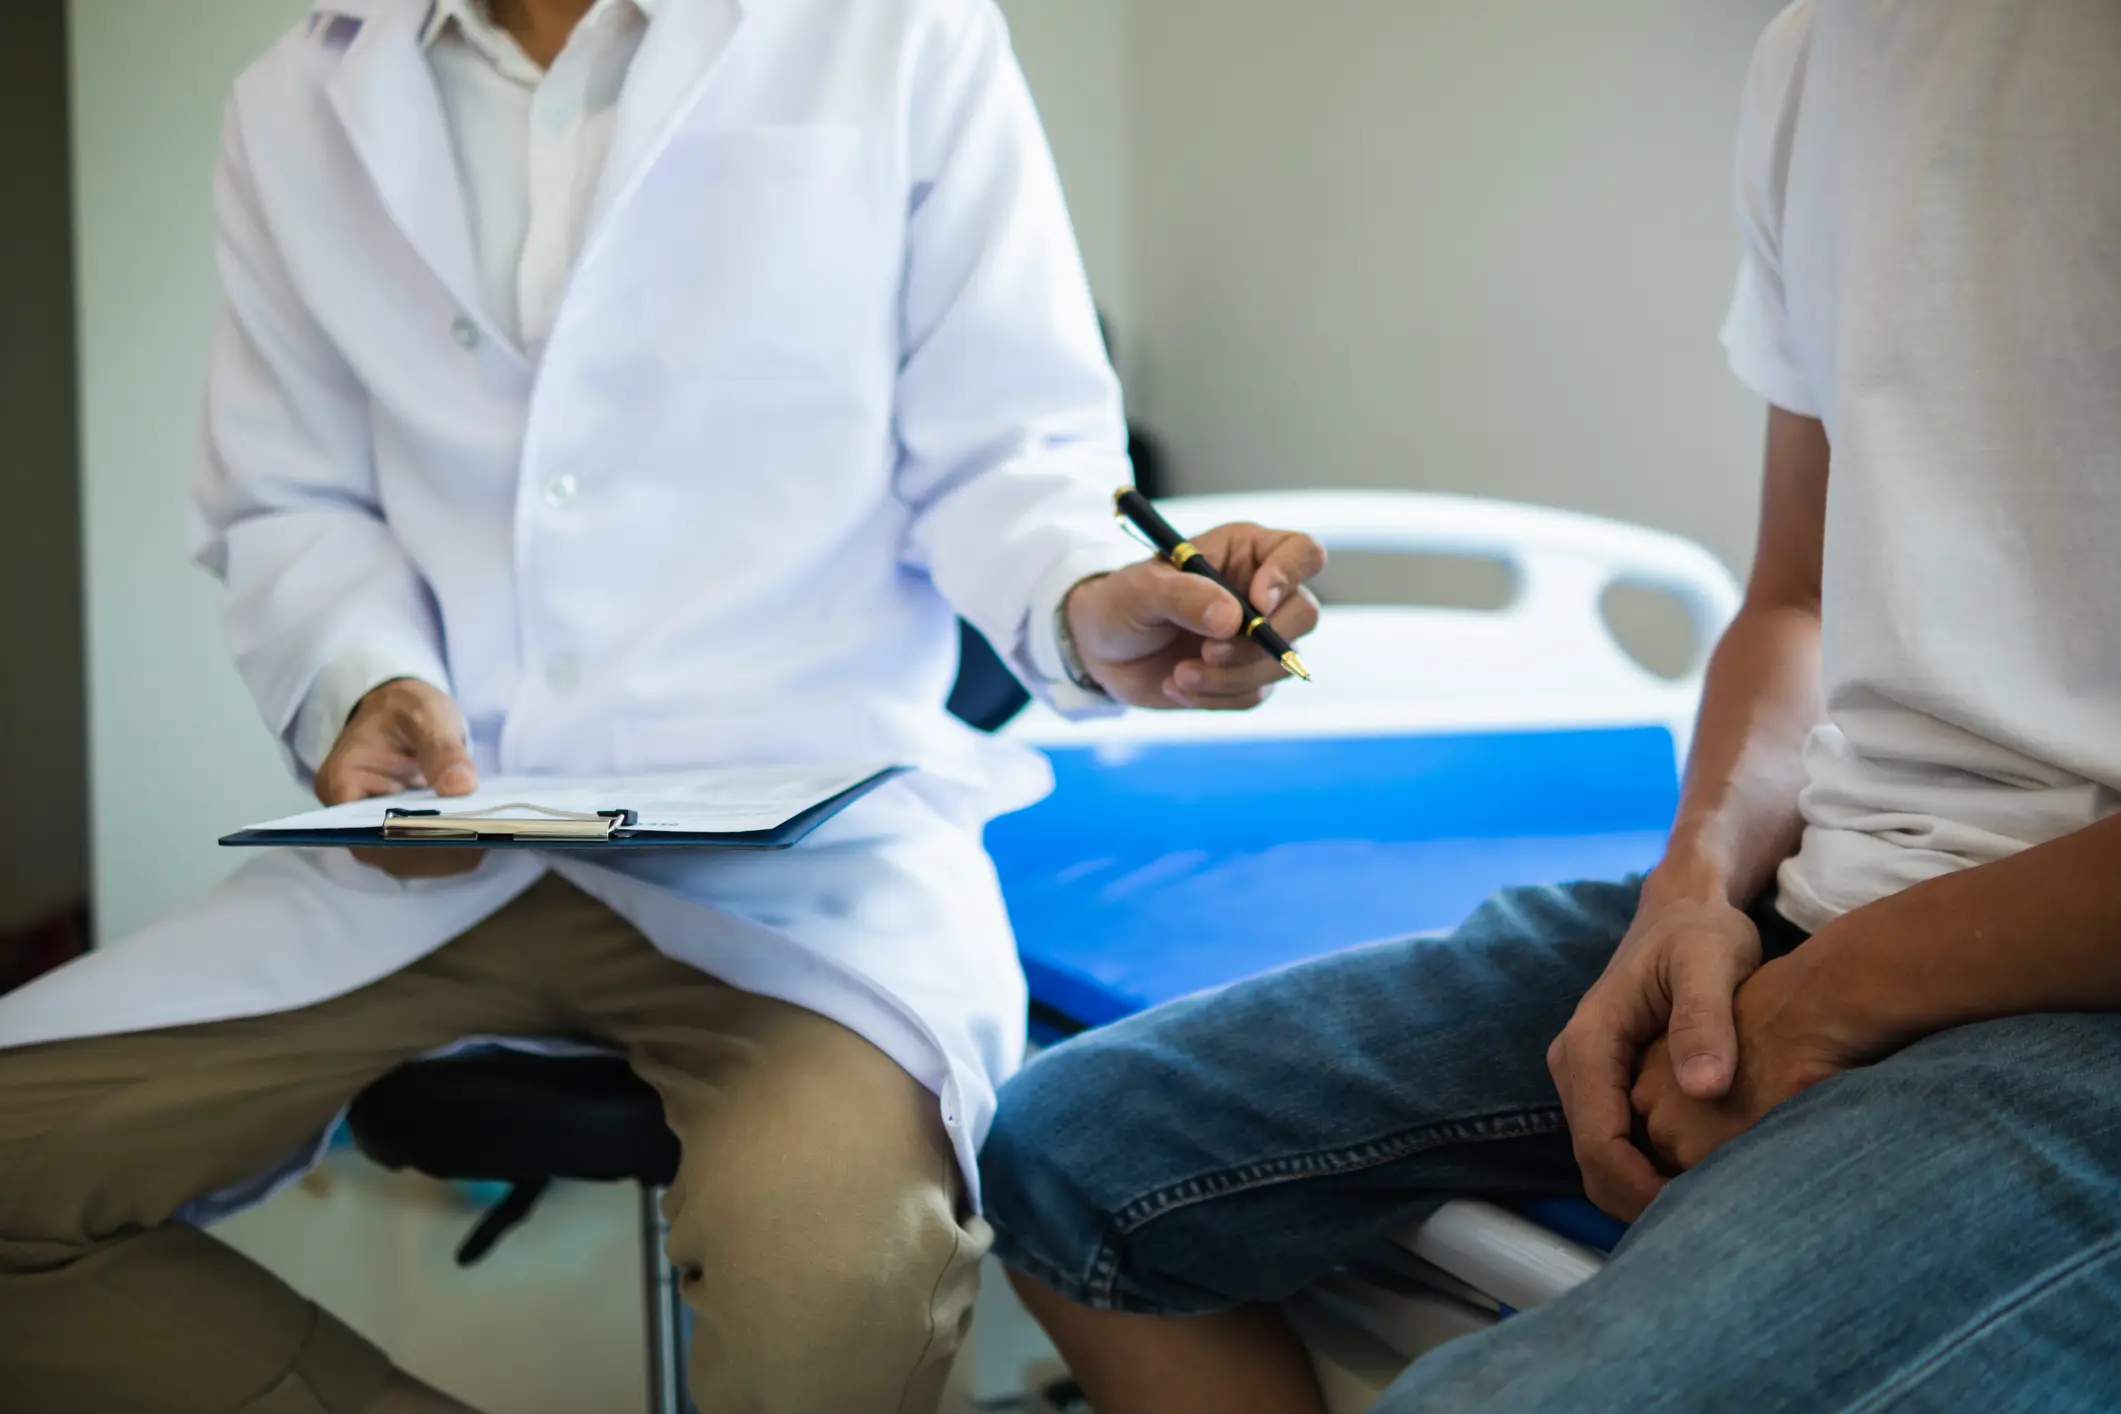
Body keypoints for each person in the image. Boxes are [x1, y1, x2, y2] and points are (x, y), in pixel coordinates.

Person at [0, 1, 1326, 1411]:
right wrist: (362, 682)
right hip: (454, 840)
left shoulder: (897, 31)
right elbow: (290, 499)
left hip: (801, 863)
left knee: (839, 1276)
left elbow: (1017, 454)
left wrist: (1087, 598)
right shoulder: (295, 97)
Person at [978, 1, 2121, 1410]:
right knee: (1063, 1154)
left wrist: (1838, 994)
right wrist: (1696, 888)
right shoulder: (1827, 54)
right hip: (1823, 896)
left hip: (2079, 993)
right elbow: (1801, 598)